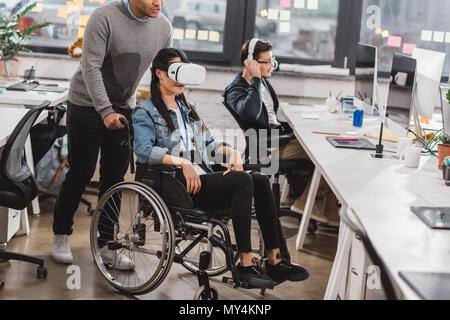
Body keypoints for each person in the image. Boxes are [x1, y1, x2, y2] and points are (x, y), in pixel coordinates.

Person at [132, 48, 309, 288]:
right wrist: (182, 162)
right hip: (177, 186)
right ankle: (246, 265)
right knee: (243, 180)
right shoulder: (145, 111)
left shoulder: (187, 108)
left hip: (202, 179)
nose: (181, 80)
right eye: (176, 73)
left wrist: (232, 152)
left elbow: (210, 144)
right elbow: (143, 151)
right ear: (160, 74)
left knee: (259, 179)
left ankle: (275, 259)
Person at [51, 0, 173, 269]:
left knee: (115, 177)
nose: (158, 2)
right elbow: (90, 66)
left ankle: (107, 244)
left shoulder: (163, 26)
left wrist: (165, 107)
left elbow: (162, 74)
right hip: (85, 102)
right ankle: (61, 234)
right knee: (81, 170)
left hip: (122, 104)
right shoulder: (103, 17)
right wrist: (105, 111)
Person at [223, 39, 340, 226]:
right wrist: (254, 79)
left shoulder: (263, 84)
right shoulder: (237, 89)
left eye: (272, 60)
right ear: (250, 63)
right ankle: (304, 202)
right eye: (266, 61)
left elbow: (271, 119)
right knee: (327, 153)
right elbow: (250, 113)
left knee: (327, 144)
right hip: (266, 148)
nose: (272, 66)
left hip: (278, 140)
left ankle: (327, 208)